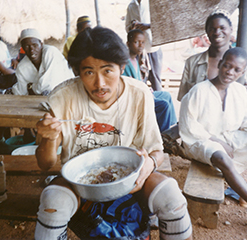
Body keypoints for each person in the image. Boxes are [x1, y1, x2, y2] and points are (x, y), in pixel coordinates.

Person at [35, 27, 192, 240]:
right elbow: (45, 163)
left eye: (108, 70)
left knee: (172, 197)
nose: (100, 84)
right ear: (77, 72)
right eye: (88, 72)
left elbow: (157, 151)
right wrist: (48, 137)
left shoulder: (139, 94)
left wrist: (149, 165)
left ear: (122, 67)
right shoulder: (62, 98)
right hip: (80, 186)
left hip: (130, 182)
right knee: (54, 202)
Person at [179, 47, 247, 207]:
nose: (230, 72)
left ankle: (240, 189)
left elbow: (244, 122)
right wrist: (217, 142)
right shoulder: (199, 91)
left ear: (242, 72)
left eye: (237, 69)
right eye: (227, 66)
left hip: (228, 137)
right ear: (220, 64)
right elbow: (188, 125)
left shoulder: (241, 92)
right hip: (200, 141)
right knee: (221, 157)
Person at [177, 9, 246, 101]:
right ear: (207, 32)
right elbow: (184, 99)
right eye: (212, 29)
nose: (217, 32)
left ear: (231, 29)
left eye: (222, 28)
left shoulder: (243, 63)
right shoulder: (192, 63)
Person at [123, 29, 177, 132]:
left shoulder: (135, 60)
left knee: (166, 95)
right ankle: (163, 135)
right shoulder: (125, 63)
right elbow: (130, 87)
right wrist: (146, 93)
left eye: (143, 42)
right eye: (136, 42)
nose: (140, 45)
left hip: (143, 92)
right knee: (163, 105)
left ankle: (170, 127)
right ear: (128, 44)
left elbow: (140, 82)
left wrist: (148, 90)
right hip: (136, 98)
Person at [12, 28, 74, 95]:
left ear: (41, 44)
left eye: (35, 45)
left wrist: (31, 87)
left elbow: (49, 85)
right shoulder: (22, 67)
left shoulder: (51, 52)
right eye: (27, 46)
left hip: (69, 92)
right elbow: (21, 91)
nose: (31, 50)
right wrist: (34, 88)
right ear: (23, 48)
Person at [125, 0, 163, 91]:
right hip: (138, 50)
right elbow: (127, 27)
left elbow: (162, 23)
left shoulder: (153, 3)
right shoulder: (131, 6)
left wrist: (148, 25)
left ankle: (158, 102)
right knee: (140, 81)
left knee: (156, 80)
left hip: (152, 47)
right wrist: (132, 26)